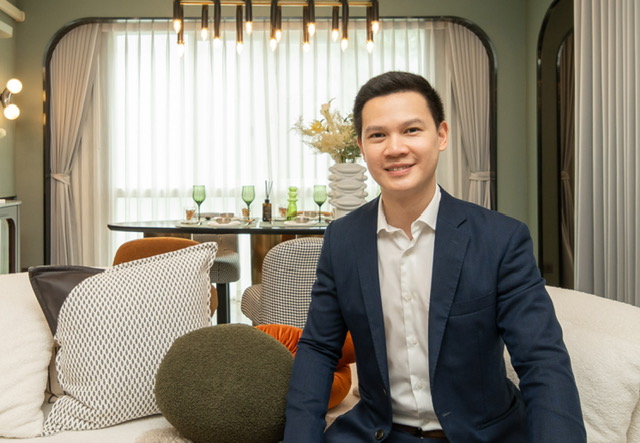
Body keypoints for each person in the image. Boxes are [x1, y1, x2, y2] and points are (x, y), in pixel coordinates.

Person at [284, 71, 585, 442]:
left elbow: (542, 361)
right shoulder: (342, 239)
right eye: (378, 135)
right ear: (361, 146)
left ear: (441, 135)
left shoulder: (501, 239)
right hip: (377, 433)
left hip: (481, 435)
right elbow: (319, 348)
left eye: (411, 130)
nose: (395, 148)